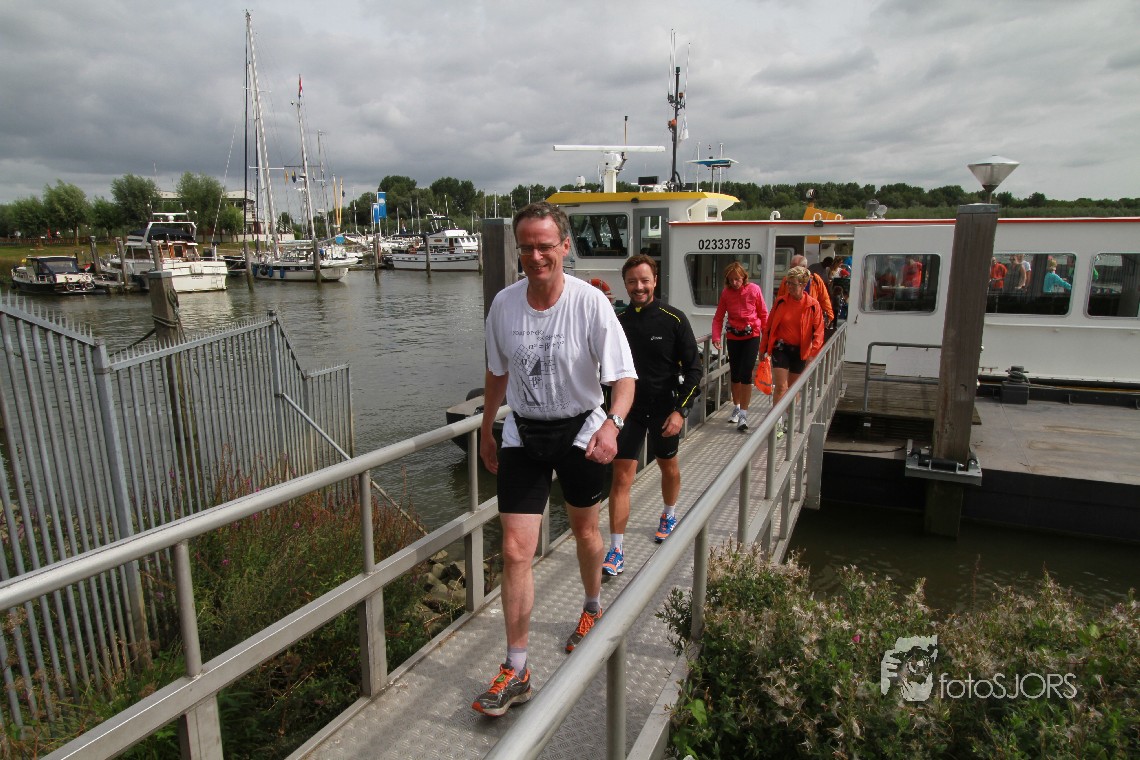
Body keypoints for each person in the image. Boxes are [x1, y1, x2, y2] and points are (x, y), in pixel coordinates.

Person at [472, 202, 637, 717]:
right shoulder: (504, 305)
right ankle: (517, 668)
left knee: (585, 531)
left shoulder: (590, 303)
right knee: (516, 550)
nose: (536, 256)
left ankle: (591, 606)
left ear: (565, 246)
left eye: (545, 246)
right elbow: (497, 371)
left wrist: (612, 425)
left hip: (581, 431)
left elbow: (623, 378)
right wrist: (487, 428)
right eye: (526, 248)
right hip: (524, 432)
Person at [604, 255, 703, 576]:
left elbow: (694, 369)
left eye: (644, 280)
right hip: (628, 411)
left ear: (655, 281)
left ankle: (669, 514)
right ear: (625, 284)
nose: (639, 287)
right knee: (621, 478)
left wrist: (680, 411)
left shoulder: (674, 319)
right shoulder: (617, 320)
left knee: (668, 466)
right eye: (632, 281)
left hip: (664, 409)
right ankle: (616, 549)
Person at [760, 266, 825, 437]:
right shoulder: (781, 302)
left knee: (794, 388)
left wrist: (812, 355)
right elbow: (769, 327)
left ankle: (788, 417)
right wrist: (763, 349)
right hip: (781, 348)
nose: (789, 287)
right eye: (787, 283)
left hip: (801, 351)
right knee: (781, 386)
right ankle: (777, 422)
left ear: (803, 285)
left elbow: (819, 333)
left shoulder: (813, 305)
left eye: (793, 284)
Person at [711, 262, 768, 432]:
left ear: (743, 277)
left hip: (752, 335)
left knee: (746, 373)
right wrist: (716, 336)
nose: (735, 283)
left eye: (737, 279)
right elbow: (718, 317)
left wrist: (766, 340)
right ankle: (736, 406)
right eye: (731, 280)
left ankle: (744, 413)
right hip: (734, 336)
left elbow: (763, 314)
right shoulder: (726, 293)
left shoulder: (754, 290)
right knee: (735, 374)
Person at [777, 255, 834, 326]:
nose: (792, 271)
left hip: (810, 321)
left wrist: (828, 317)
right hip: (790, 321)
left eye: (795, 268)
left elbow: (824, 299)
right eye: (791, 268)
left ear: (804, 267)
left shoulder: (815, 280)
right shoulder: (786, 280)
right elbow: (780, 300)